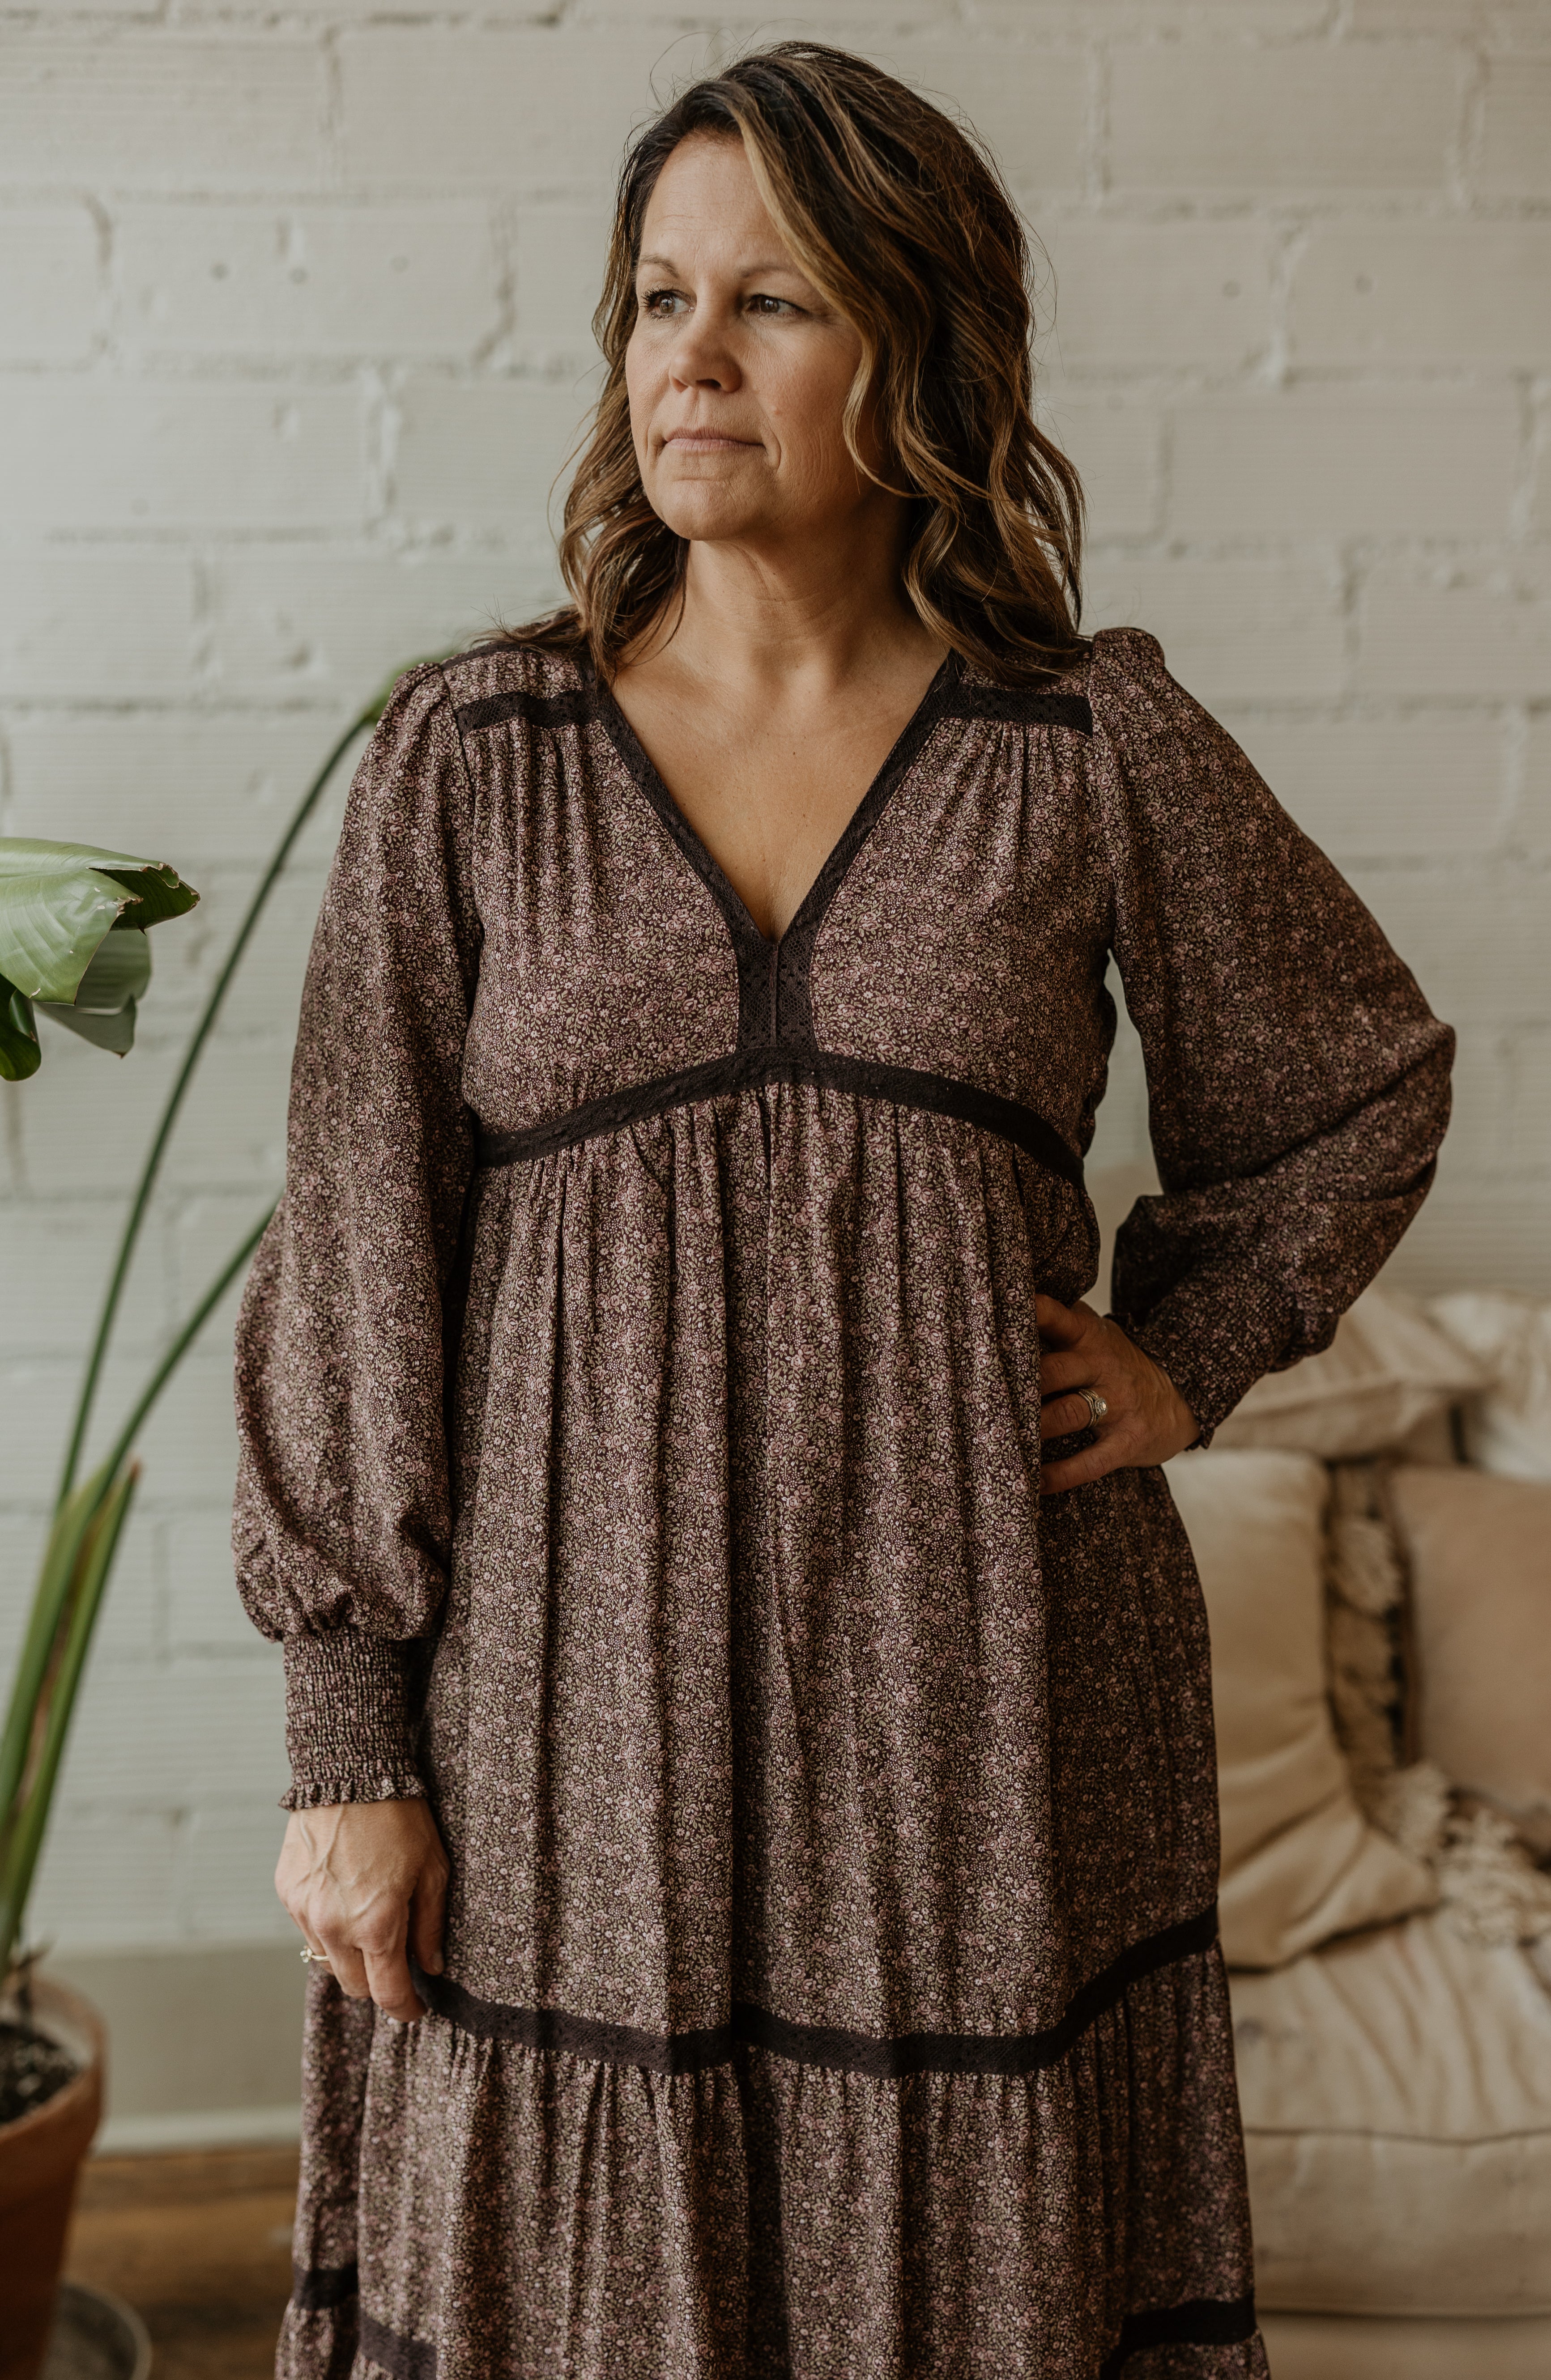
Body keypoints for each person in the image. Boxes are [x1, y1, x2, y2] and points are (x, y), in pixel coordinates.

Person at [233, 41, 1452, 2380]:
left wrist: (1193, 1349)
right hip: (563, 1731)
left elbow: (1355, 1084)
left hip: (982, 1716)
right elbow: (357, 1248)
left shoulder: (1083, 742)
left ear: (920, 355)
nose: (689, 359)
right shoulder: (474, 756)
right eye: (658, 299)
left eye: (770, 301)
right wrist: (346, 1739)